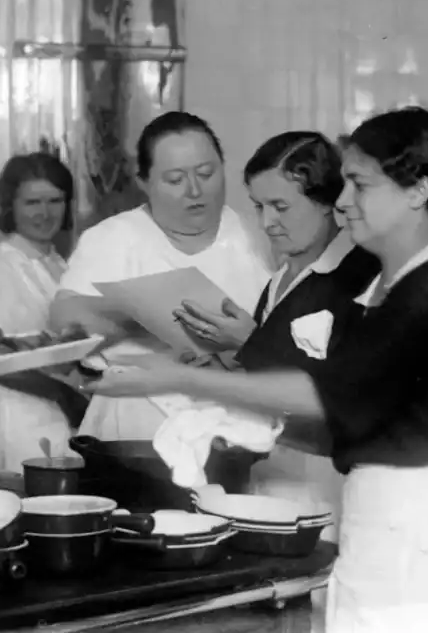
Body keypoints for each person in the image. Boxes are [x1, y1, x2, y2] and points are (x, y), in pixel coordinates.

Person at [86, 107, 428, 633]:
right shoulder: (389, 288)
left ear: (419, 191)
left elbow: (326, 395)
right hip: (386, 523)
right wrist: (231, 413)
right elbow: (341, 424)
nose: (344, 200)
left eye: (361, 183)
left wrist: (181, 379)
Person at [171, 132, 381, 542]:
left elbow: (343, 401)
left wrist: (251, 343)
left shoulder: (359, 277)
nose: (267, 223)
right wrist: (216, 364)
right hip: (267, 480)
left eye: (281, 206)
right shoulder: (281, 278)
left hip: (327, 489)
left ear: (326, 202)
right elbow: (266, 378)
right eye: (259, 207)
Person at [50, 111, 275, 441]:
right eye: (175, 179)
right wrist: (143, 315)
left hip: (238, 428)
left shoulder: (258, 236)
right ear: (144, 182)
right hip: (134, 430)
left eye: (206, 173)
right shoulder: (114, 239)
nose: (195, 190)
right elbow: (63, 323)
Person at [0, 152, 84, 472]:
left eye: (55, 200)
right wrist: (63, 395)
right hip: (19, 415)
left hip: (65, 414)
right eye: (32, 202)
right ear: (11, 206)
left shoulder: (61, 265)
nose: (44, 213)